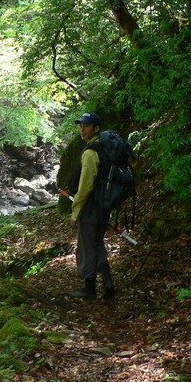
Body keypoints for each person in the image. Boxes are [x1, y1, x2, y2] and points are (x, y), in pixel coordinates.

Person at [69, 112, 115, 300]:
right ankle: (108, 284)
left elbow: (86, 185)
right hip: (103, 206)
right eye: (80, 125)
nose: (82, 129)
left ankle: (89, 289)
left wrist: (76, 210)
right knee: (97, 244)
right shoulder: (104, 149)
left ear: (96, 128)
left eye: (86, 126)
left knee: (87, 247)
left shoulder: (90, 152)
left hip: (91, 207)